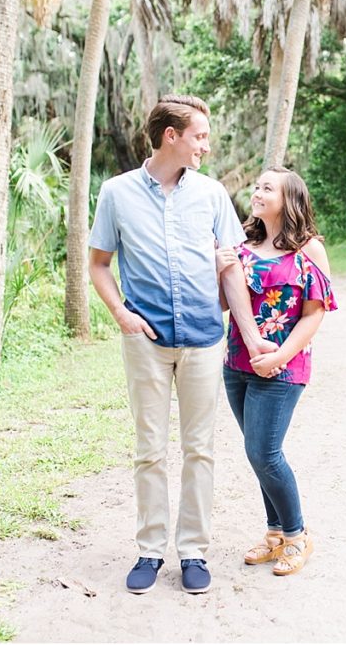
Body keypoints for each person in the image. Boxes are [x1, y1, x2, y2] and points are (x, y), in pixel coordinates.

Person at [88, 94, 277, 595]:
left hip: (202, 339)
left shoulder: (212, 195)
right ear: (171, 136)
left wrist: (253, 336)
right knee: (149, 449)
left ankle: (192, 549)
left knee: (200, 449)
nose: (205, 146)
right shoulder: (117, 193)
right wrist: (121, 314)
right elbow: (98, 263)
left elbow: (231, 268)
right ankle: (150, 549)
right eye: (199, 136)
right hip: (146, 341)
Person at [218, 166, 337, 577]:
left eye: (268, 187)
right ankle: (274, 536)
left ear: (290, 199)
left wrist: (279, 356)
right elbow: (223, 303)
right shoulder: (243, 244)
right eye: (257, 185)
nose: (258, 191)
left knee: (264, 452)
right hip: (237, 362)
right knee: (257, 452)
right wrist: (219, 268)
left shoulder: (308, 249)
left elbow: (313, 314)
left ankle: (297, 535)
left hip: (284, 368)